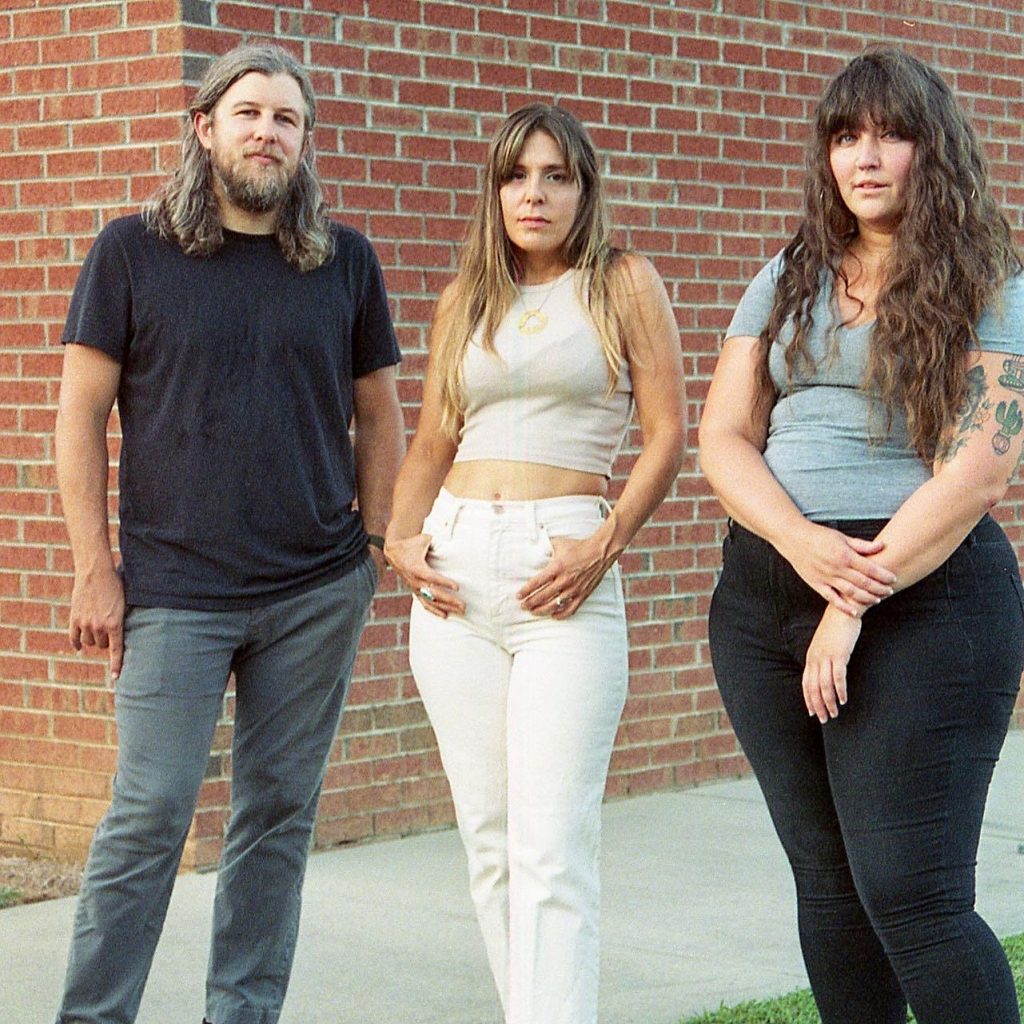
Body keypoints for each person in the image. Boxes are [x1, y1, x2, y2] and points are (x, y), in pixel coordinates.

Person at [53, 44, 404, 1024]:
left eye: (286, 118)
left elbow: (380, 414)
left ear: (305, 140)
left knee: (276, 817)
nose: (266, 132)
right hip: (173, 589)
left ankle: (241, 1012)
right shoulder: (131, 251)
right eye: (248, 112)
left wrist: (375, 548)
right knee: (150, 811)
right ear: (204, 127)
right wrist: (94, 568)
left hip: (315, 590)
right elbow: (78, 417)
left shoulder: (345, 260)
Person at [699, 45, 1024, 1024]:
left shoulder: (992, 280)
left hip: (928, 600)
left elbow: (979, 468)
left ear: (935, 149)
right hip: (764, 598)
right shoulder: (788, 273)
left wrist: (849, 596)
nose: (865, 157)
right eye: (845, 137)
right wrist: (801, 546)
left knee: (913, 899)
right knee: (829, 887)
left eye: (890, 134)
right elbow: (723, 436)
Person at [384, 104, 685, 1024]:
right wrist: (398, 539)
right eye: (517, 176)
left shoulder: (623, 282)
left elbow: (669, 434)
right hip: (456, 569)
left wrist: (607, 539)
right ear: (496, 191)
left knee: (552, 846)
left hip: (565, 568)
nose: (535, 194)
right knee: (490, 840)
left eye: (557, 176)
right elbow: (433, 439)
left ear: (584, 190)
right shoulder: (463, 300)